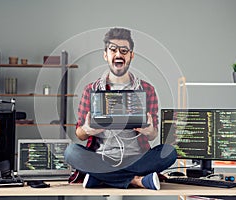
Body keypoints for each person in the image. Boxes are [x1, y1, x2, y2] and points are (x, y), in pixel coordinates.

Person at [64, 27, 177, 190]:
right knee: (71, 152)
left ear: (131, 55)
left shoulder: (147, 89)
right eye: (113, 50)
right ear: (106, 55)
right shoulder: (91, 89)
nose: (118, 54)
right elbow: (79, 135)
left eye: (124, 50)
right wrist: (88, 129)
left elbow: (153, 135)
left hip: (138, 160)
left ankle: (102, 178)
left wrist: (150, 130)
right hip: (101, 159)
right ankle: (135, 180)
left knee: (169, 152)